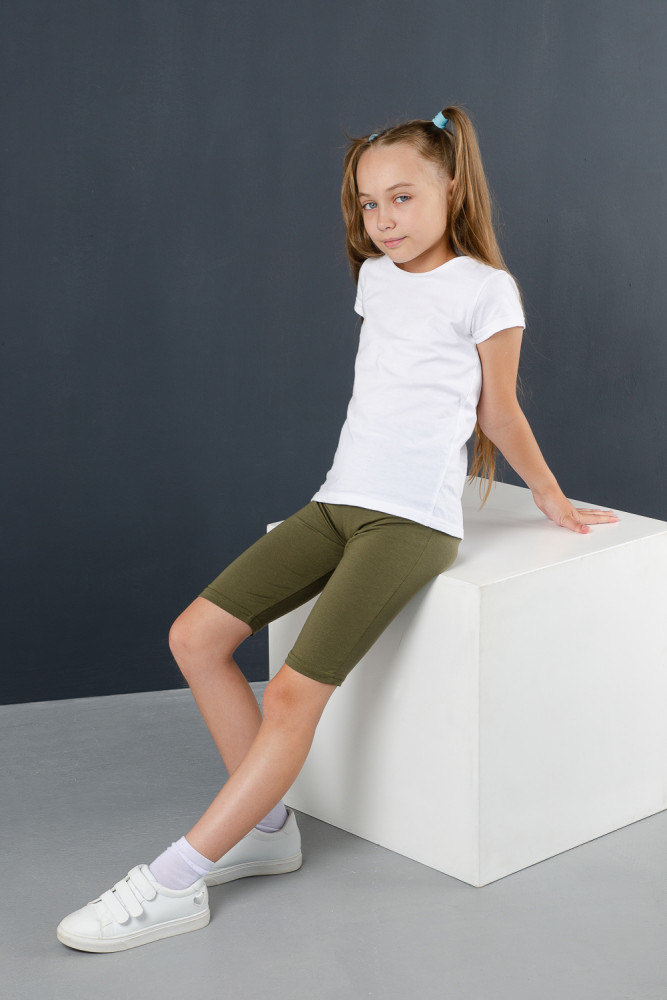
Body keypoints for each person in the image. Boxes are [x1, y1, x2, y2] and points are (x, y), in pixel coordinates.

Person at [57, 106, 619, 952]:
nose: (383, 220)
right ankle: (267, 828)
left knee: (290, 693)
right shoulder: (376, 279)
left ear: (451, 187)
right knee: (195, 637)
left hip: (409, 522)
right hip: (336, 502)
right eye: (368, 203)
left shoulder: (484, 289)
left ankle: (173, 881)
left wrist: (549, 493)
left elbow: (496, 411)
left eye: (402, 197)